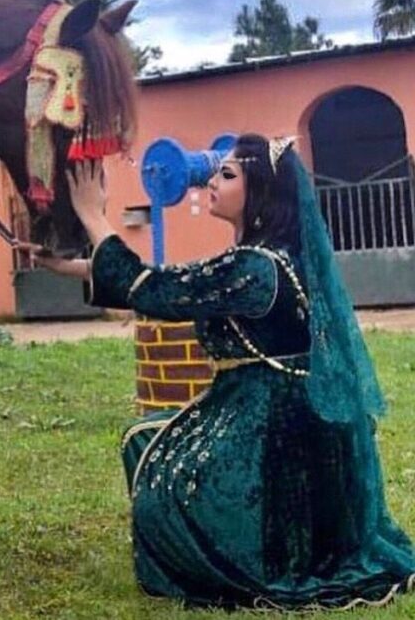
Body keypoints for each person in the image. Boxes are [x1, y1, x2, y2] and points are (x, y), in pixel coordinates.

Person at [20, 134, 415, 609]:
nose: (210, 179)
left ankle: (242, 554)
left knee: (158, 475)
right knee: (144, 437)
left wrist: (93, 215)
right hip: (269, 412)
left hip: (271, 430)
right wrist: (69, 268)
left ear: (261, 193)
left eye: (227, 175)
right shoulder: (265, 258)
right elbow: (174, 281)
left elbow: (160, 293)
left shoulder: (255, 266)